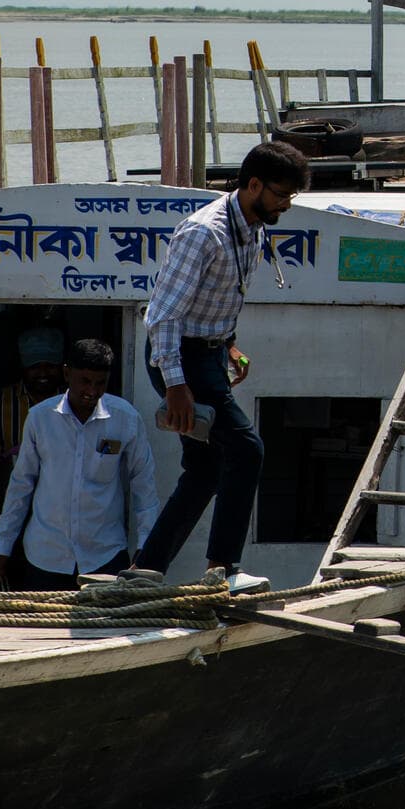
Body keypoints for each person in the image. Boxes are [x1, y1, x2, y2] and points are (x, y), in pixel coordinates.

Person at [136, 140, 306, 588]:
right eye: (281, 195)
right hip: (177, 355)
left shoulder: (253, 227)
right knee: (246, 449)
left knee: (207, 468)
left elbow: (216, 298)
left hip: (207, 352)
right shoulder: (203, 233)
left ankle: (147, 568)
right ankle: (224, 570)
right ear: (253, 185)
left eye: (291, 197)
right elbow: (163, 316)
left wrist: (228, 344)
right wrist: (176, 386)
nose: (285, 205)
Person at [0, 338, 157, 591]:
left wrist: (146, 545)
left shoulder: (126, 419)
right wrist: (2, 548)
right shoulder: (40, 419)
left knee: (107, 630)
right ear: (67, 373)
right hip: (45, 557)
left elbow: (144, 486)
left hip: (105, 555)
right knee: (42, 631)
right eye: (85, 381)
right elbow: (21, 485)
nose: (92, 391)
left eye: (100, 383)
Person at [0, 324, 67, 541]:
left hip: (63, 513)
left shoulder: (78, 404)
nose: (43, 373)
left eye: (50, 366)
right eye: (35, 366)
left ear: (63, 368)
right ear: (23, 366)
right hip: (8, 508)